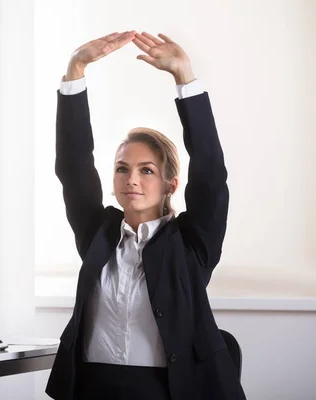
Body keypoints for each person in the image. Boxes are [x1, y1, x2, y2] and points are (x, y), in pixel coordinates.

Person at [45, 31, 247, 400]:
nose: (131, 179)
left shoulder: (192, 242)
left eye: (147, 170)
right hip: (95, 388)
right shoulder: (99, 234)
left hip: (166, 391)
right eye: (122, 169)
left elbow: (211, 175)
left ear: (171, 183)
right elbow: (73, 169)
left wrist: (184, 78)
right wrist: (76, 70)